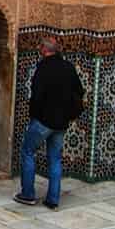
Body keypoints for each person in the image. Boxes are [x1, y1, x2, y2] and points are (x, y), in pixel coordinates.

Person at [14, 35, 84, 210]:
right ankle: (53, 199)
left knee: (28, 152)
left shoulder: (42, 69)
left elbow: (36, 96)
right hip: (61, 123)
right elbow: (80, 91)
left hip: (43, 121)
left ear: (44, 50)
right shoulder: (68, 67)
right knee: (55, 159)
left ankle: (28, 194)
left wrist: (34, 115)